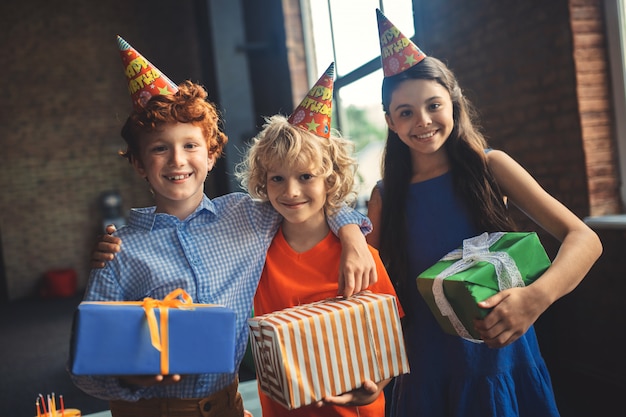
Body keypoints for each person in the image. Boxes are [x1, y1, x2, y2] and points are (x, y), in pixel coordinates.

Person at [70, 36, 377, 417]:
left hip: (228, 403)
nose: (177, 160)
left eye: (190, 146)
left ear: (212, 153)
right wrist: (134, 379)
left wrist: (351, 232)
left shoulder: (248, 215)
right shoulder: (119, 252)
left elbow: (309, 199)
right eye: (159, 148)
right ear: (138, 163)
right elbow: (85, 365)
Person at [365, 10, 602, 417]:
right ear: (390, 121)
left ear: (454, 104)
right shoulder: (385, 197)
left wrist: (534, 299)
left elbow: (586, 239)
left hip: (503, 367)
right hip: (425, 376)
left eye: (433, 105)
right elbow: (372, 294)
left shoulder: (492, 167)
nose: (422, 121)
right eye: (405, 112)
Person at [235, 63, 402, 417]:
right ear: (263, 182)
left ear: (330, 178)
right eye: (277, 178)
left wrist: (373, 388)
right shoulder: (257, 252)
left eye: (306, 176)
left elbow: (389, 337)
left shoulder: (359, 254)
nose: (291, 191)